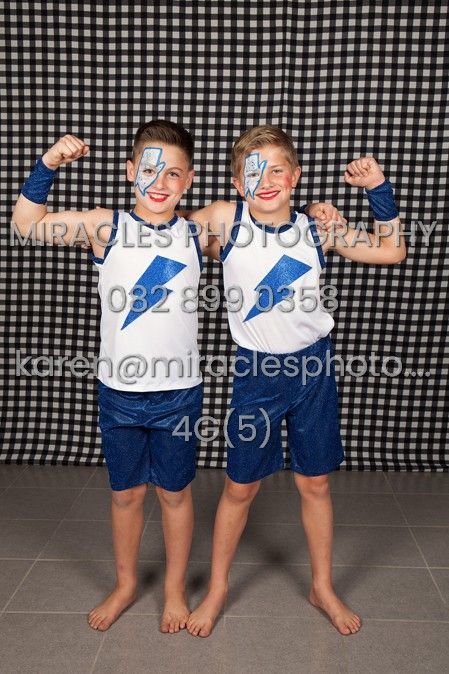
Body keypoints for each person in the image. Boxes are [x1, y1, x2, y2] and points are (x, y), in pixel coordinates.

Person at [11, 120, 341, 634]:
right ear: (130, 171)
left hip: (180, 393)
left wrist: (321, 214)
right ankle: (125, 584)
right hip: (118, 391)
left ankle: (173, 590)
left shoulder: (198, 232)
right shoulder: (105, 227)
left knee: (175, 494)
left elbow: (266, 235)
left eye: (173, 174)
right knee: (125, 495)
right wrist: (48, 164)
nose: (160, 182)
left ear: (189, 181)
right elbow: (27, 225)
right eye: (149, 170)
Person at [184, 125, 406, 638]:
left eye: (276, 170)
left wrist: (378, 189)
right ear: (236, 183)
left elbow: (392, 250)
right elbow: (165, 231)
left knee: (316, 482)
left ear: (295, 176)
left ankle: (322, 586)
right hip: (256, 372)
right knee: (240, 487)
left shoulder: (317, 229)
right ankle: (217, 589)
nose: (265, 181)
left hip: (312, 370)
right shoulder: (226, 219)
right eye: (253, 172)